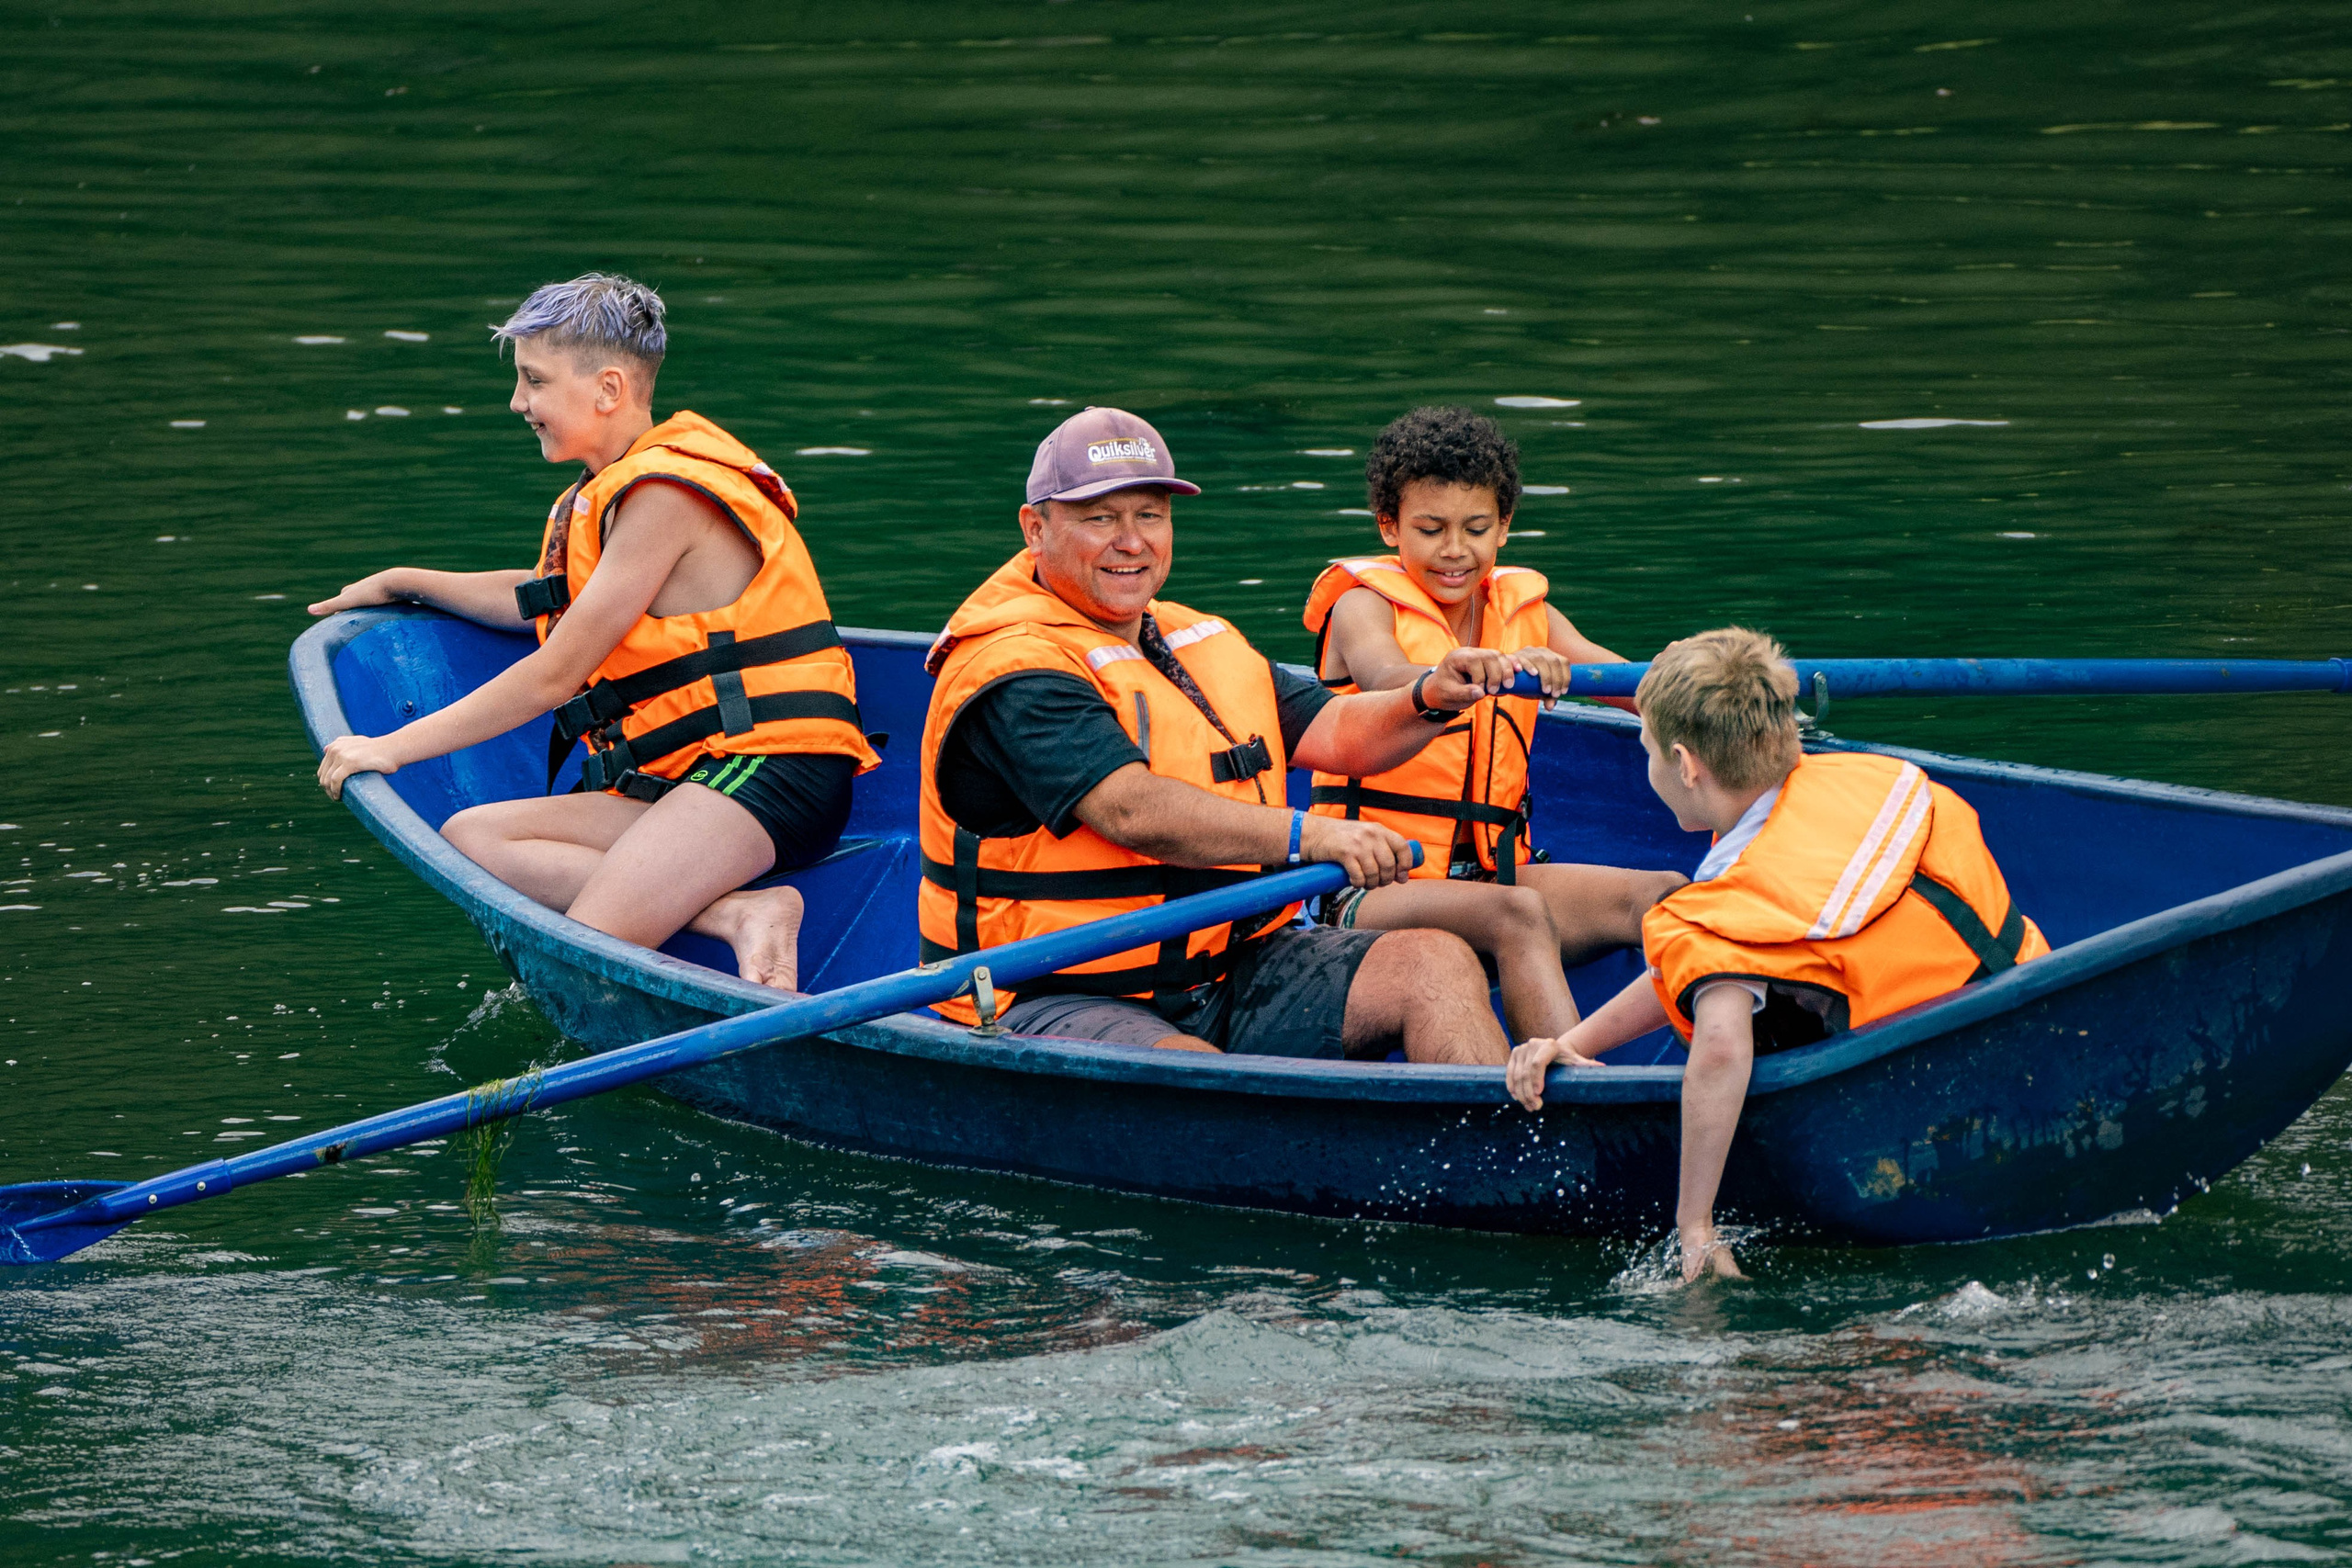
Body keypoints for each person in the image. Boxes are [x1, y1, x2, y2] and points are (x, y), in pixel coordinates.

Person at [311, 273, 878, 989]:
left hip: (771, 769)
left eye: (534, 381)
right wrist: (404, 580)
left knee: (585, 952)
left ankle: (754, 915)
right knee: (472, 838)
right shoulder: (616, 489)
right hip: (696, 775)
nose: (519, 403)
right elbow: (543, 599)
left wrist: (390, 747)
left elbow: (556, 670)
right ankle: (739, 912)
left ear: (608, 389)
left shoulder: (664, 495)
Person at [919, 406, 1515, 1063]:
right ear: (1036, 528)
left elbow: (1342, 733)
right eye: (1100, 518)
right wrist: (1310, 835)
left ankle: (1503, 1162)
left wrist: (1427, 696)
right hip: (1052, 988)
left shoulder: (1196, 638)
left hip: (1226, 966)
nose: (1132, 540)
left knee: (1436, 962)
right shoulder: (1013, 668)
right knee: (1194, 1073)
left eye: (1149, 515)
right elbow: (1130, 808)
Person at [1506, 628, 2050, 1280]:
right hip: (2019, 1012)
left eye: (1647, 751)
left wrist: (1695, 1223)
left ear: (1685, 764)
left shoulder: (1720, 900)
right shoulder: (1870, 783)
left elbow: (1723, 1044)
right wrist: (1576, 1040)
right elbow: (1689, 968)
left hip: (1901, 1086)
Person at [1305, 406, 1686, 1041]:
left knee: (1667, 895)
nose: (1455, 550)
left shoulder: (1528, 613)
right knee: (1521, 913)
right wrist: (1470, 671)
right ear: (1389, 526)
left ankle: (1735, 1064)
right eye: (1430, 529)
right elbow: (1386, 677)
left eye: (1476, 527)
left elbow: (1643, 693)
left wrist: (1710, 685)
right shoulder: (1361, 605)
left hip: (1493, 872)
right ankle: (1574, 1103)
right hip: (1368, 889)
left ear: (1504, 526)